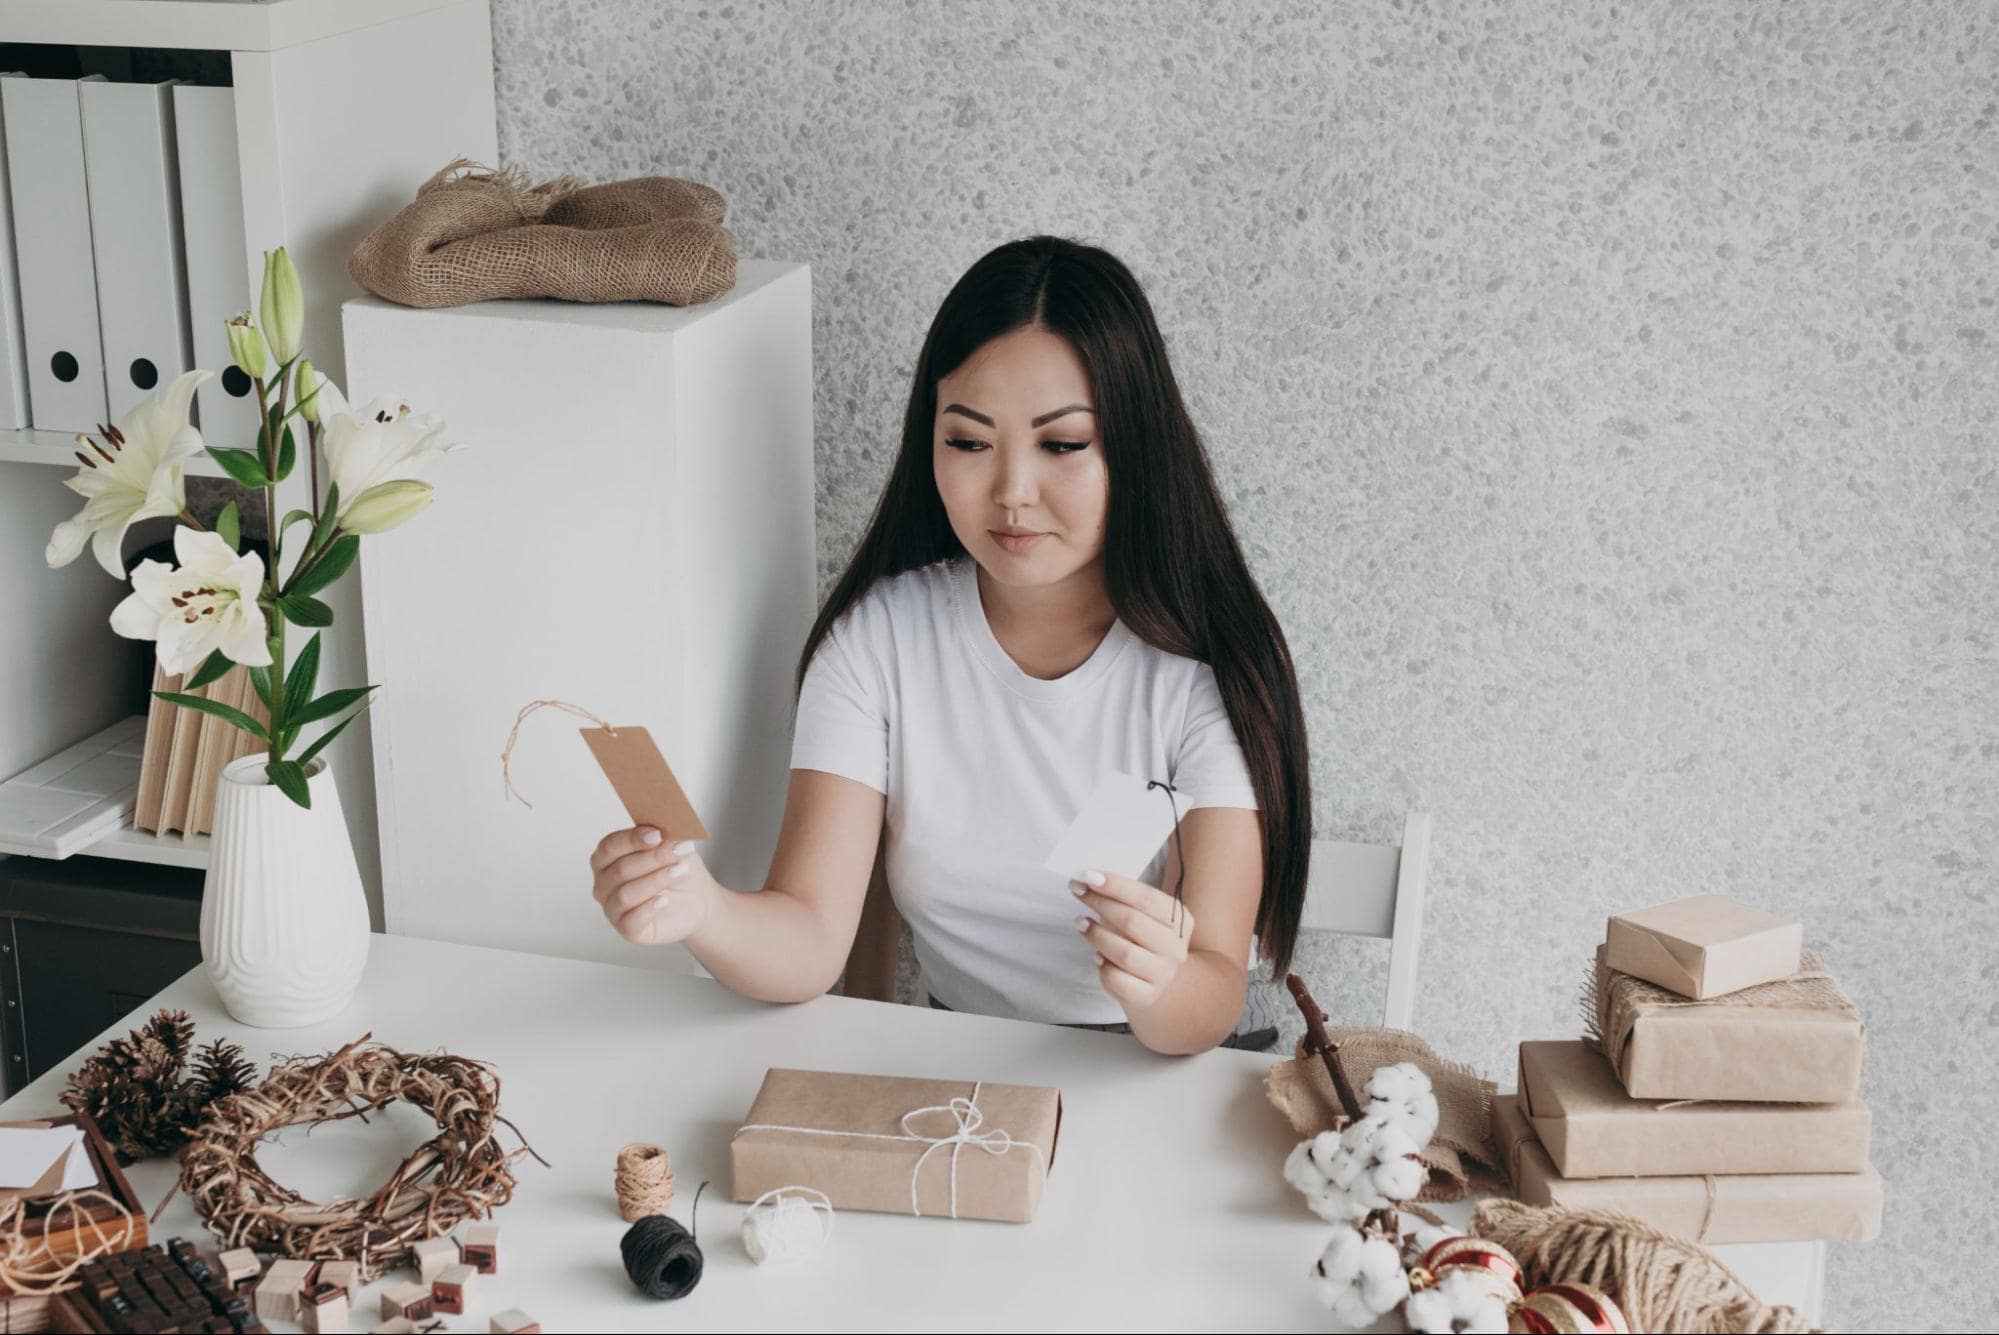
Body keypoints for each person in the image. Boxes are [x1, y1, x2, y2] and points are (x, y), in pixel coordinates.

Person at [588, 235, 1312, 1054]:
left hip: (1163, 1072)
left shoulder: (1202, 670)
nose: (1011, 492)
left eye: (1062, 444)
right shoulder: (878, 639)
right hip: (955, 1073)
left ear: (1134, 446)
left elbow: (1210, 996)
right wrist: (702, 910)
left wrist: (1159, 980)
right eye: (968, 442)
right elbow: (809, 938)